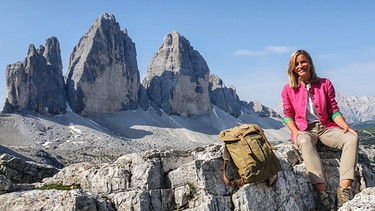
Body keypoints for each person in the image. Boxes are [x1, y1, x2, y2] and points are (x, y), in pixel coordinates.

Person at [281, 49, 359, 210]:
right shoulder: (288, 89)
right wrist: (296, 133)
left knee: (352, 139)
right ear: (292, 68)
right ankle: (322, 194)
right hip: (305, 130)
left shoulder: (325, 83)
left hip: (326, 128)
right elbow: (288, 116)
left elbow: (334, 111)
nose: (300, 66)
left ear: (310, 63)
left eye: (303, 62)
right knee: (303, 140)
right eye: (296, 64)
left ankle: (343, 190)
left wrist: (346, 127)